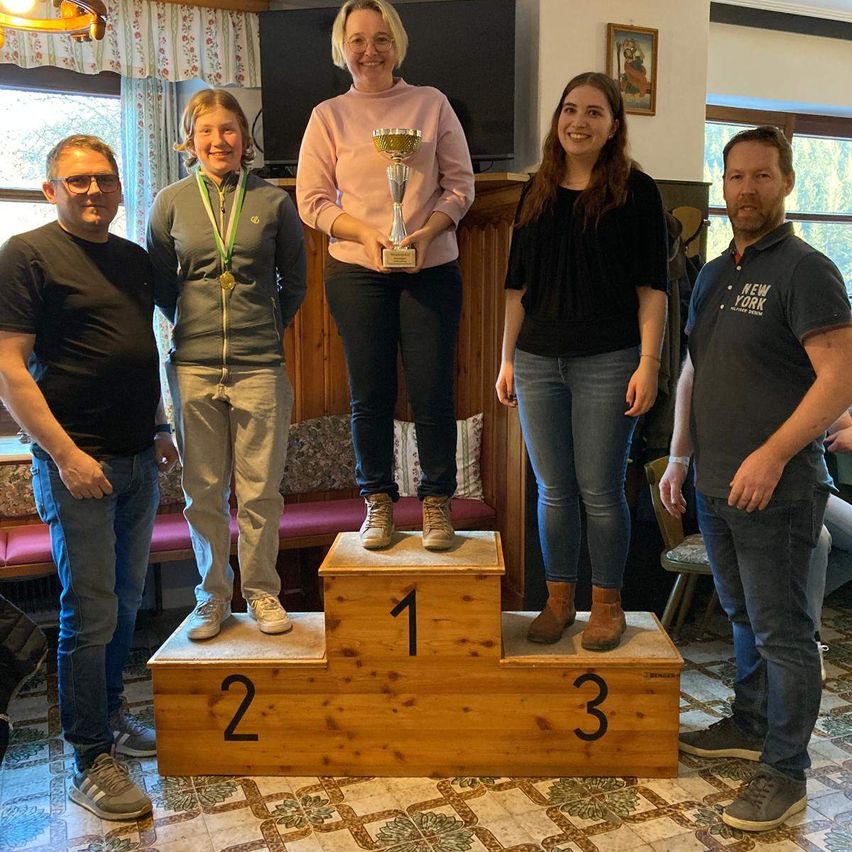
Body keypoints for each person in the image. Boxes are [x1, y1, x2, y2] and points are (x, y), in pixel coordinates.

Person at [659, 126, 852, 832]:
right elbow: (692, 371)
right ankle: (747, 725)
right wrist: (680, 456)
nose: (747, 189)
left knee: (784, 634)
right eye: (736, 176)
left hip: (781, 490)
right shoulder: (714, 271)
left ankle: (785, 772)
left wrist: (772, 453)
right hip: (714, 487)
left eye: (762, 176)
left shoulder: (806, 270)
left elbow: (840, 376)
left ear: (787, 182)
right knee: (743, 619)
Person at [0, 135, 179, 819]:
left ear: (120, 185)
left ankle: (111, 722)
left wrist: (161, 429)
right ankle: (89, 758)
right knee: (90, 611)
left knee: (125, 604)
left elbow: (138, 355)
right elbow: (10, 367)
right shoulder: (26, 254)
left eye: (103, 178)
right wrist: (67, 456)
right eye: (76, 181)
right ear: (51, 189)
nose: (93, 190)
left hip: (137, 462)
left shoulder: (133, 261)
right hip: (79, 467)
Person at [496, 72, 668, 650]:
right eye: (570, 110)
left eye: (594, 112)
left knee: (599, 489)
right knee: (552, 490)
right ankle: (559, 601)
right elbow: (516, 289)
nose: (579, 121)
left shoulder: (638, 193)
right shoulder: (535, 191)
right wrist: (506, 362)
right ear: (558, 120)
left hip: (609, 361)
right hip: (538, 361)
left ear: (614, 126)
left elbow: (653, 290)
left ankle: (608, 606)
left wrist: (649, 364)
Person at [296, 0, 474, 552]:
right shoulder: (328, 115)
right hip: (356, 272)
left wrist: (425, 233)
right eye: (357, 40)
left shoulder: (432, 103)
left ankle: (437, 503)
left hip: (431, 267)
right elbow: (311, 201)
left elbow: (460, 186)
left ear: (396, 44)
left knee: (432, 392)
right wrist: (363, 234)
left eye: (380, 39)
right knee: (369, 394)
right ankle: (377, 502)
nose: (369, 51)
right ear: (341, 47)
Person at [148, 89, 306, 641]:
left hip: (260, 366)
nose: (219, 140)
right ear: (189, 140)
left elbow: (296, 282)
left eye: (229, 129)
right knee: (204, 492)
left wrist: (259, 328)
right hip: (191, 366)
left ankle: (262, 592)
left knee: (261, 492)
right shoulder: (169, 201)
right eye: (206, 130)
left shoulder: (275, 202)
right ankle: (212, 597)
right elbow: (163, 286)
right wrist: (196, 328)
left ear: (246, 138)